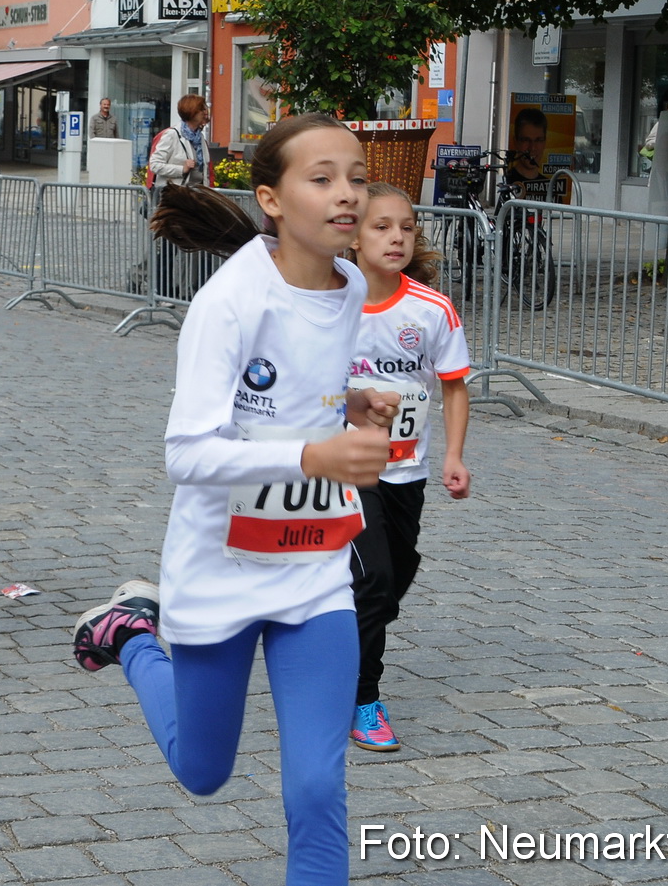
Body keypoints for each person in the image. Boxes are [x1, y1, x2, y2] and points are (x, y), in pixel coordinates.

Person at [70, 114, 401, 886]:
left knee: (318, 786)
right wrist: (314, 452)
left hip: (313, 564)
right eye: (321, 179)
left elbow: (298, 389)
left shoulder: (349, 284)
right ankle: (129, 635)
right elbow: (185, 451)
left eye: (355, 176)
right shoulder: (229, 302)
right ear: (272, 199)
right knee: (202, 770)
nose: (346, 194)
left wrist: (347, 403)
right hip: (219, 565)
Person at [345, 182, 471, 752]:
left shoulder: (431, 308)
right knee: (372, 580)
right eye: (382, 226)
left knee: (393, 580)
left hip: (406, 471)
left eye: (408, 226)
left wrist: (452, 455)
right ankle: (361, 698)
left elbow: (453, 387)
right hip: (343, 468)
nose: (397, 237)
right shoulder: (328, 302)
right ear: (352, 236)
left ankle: (334, 639)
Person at [147, 95, 211, 196]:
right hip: (175, 196)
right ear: (191, 112)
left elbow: (205, 171)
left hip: (197, 196)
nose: (205, 112)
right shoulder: (172, 135)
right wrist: (182, 169)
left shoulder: (200, 138)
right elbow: (155, 165)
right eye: (201, 109)